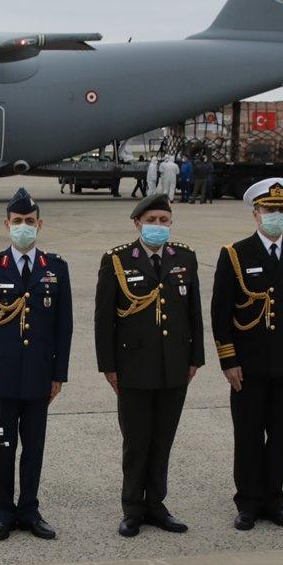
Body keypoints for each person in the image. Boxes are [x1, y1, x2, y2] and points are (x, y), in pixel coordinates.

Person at [211, 178, 283, 530]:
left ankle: (275, 499)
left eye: (282, 210)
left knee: (282, 434)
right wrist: (229, 361)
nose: (277, 216)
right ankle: (248, 502)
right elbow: (221, 312)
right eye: (270, 210)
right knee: (248, 434)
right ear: (255, 214)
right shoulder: (236, 254)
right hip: (250, 364)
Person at [95, 194, 204, 537]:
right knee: (136, 441)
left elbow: (194, 313)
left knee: (162, 440)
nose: (158, 226)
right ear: (137, 223)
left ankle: (156, 505)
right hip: (133, 367)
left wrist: (194, 357)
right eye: (152, 220)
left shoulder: (184, 258)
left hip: (173, 365)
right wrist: (108, 366)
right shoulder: (116, 260)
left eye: (164, 220)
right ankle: (132, 508)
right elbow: (103, 320)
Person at [0, 188, 73, 542]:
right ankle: (2, 511)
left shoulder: (55, 268)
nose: (24, 227)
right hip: (1, 375)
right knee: (4, 446)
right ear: (6, 225)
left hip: (40, 376)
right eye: (18, 222)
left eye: (30, 222)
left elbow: (64, 326)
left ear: (40, 224)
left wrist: (60, 374)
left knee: (35, 446)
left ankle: (29, 508)